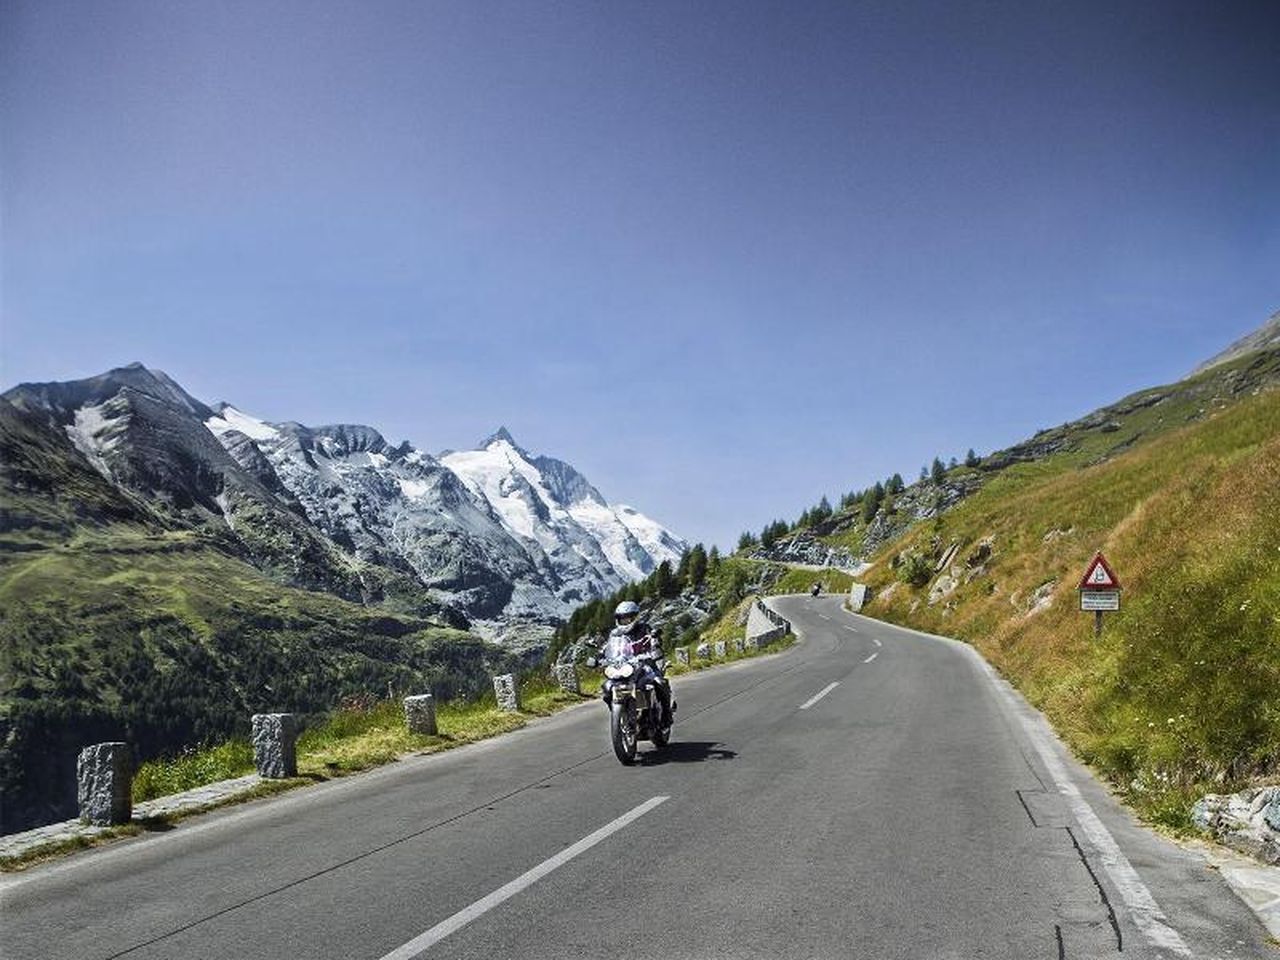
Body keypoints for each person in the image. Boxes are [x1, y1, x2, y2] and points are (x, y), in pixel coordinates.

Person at [600, 600, 674, 727]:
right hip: (624, 666)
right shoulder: (614, 633)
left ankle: (666, 715)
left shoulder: (644, 628)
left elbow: (653, 640)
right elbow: (607, 647)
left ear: (635, 617)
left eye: (628, 619)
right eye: (622, 619)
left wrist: (655, 645)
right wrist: (600, 656)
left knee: (659, 682)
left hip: (644, 665)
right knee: (607, 687)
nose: (625, 621)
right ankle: (619, 715)